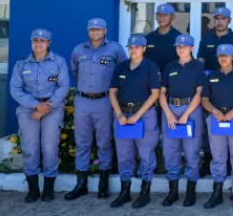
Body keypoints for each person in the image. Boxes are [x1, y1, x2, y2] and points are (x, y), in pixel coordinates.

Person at [66, 18, 128, 201]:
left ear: (105, 30)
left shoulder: (115, 49)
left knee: (104, 142)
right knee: (82, 142)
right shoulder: (79, 50)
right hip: (83, 100)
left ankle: (103, 184)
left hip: (105, 101)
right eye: (92, 29)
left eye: (98, 29)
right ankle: (81, 184)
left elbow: (122, 73)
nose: (95, 32)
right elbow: (75, 72)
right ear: (88, 31)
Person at [10, 29, 70, 203]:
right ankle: (34, 189)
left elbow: (64, 86)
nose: (38, 44)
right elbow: (15, 88)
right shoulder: (22, 64)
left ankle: (49, 188)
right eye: (35, 41)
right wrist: (36, 105)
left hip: (52, 108)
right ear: (31, 43)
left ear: (49, 43)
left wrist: (45, 106)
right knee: (30, 148)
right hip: (28, 108)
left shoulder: (58, 62)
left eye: (42, 41)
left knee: (50, 147)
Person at [108, 34, 161, 209]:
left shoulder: (151, 67)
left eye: (137, 47)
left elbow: (155, 94)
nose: (133, 49)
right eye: (130, 47)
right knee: (124, 154)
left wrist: (137, 115)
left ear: (144, 48)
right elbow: (113, 92)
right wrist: (119, 114)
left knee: (146, 152)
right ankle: (125, 192)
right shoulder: (121, 67)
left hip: (144, 115)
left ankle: (144, 193)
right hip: (123, 113)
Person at [201, 43, 233, 210]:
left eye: (226, 55)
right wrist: (214, 111)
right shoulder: (211, 76)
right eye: (220, 56)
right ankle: (217, 194)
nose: (223, 58)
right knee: (218, 156)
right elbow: (204, 100)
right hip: (216, 118)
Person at [159, 34, 205, 207]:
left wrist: (185, 115)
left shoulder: (198, 66)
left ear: (192, 48)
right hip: (170, 109)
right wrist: (168, 113)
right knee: (171, 151)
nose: (181, 49)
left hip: (191, 110)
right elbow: (162, 92)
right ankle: (173, 192)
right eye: (178, 46)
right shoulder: (170, 66)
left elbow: (200, 93)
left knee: (192, 151)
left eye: (184, 46)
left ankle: (190, 191)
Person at [198, 7, 233, 72]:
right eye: (217, 18)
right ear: (213, 20)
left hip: (228, 76)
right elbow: (201, 58)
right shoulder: (207, 37)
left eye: (223, 19)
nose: (220, 22)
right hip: (209, 76)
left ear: (229, 20)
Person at [144, 4, 183, 73]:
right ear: (156, 17)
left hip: (172, 79)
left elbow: (186, 61)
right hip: (152, 79)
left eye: (166, 15)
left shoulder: (179, 38)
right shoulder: (148, 38)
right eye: (159, 15)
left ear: (173, 17)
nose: (162, 17)